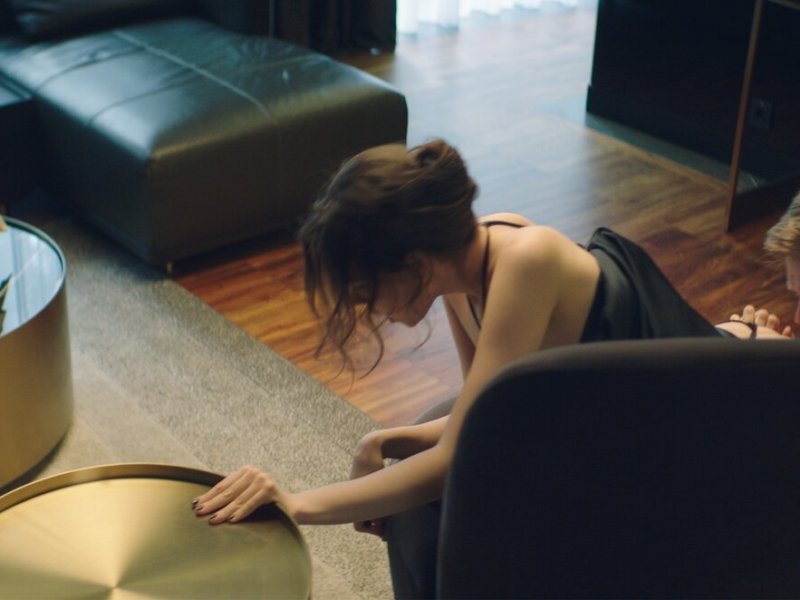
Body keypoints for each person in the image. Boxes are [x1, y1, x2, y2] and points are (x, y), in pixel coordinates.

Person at [191, 139, 780, 597]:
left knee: (446, 519)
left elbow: (460, 454)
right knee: (422, 515)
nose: (373, 311)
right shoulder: (462, 273)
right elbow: (484, 417)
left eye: (369, 292)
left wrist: (297, 503)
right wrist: (382, 440)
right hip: (594, 415)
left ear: (415, 264)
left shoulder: (527, 261)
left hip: (681, 432)